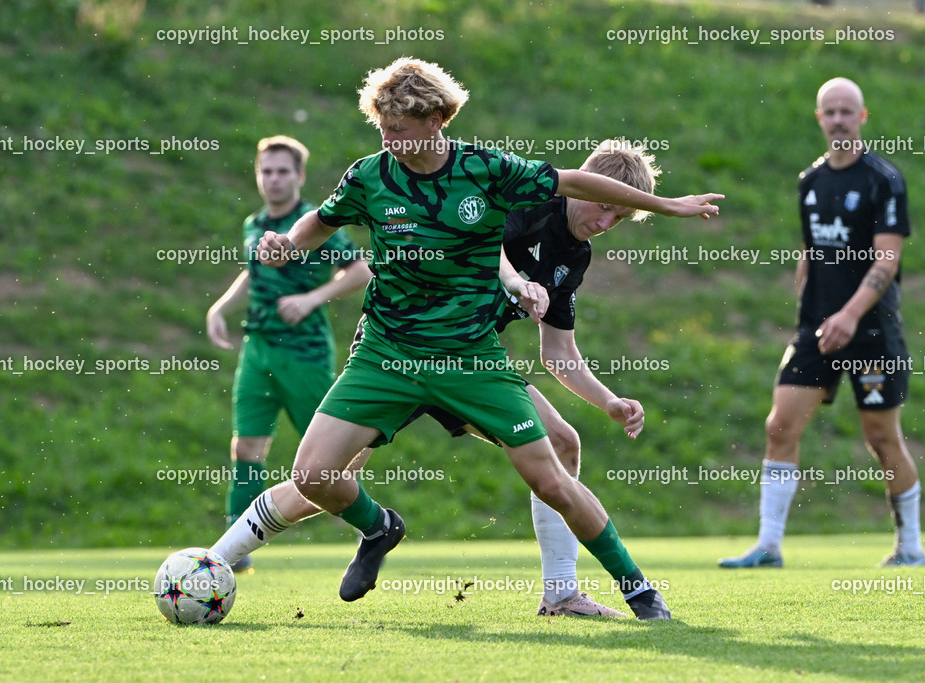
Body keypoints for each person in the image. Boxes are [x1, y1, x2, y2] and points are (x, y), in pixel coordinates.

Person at [252, 57, 721, 620]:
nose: (388, 140)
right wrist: (289, 244)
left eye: (398, 129)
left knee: (552, 477)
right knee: (313, 476)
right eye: (383, 129)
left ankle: (637, 590)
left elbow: (574, 181)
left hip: (470, 358)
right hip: (387, 353)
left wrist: (666, 206)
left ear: (435, 120)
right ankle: (377, 528)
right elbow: (324, 221)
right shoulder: (369, 175)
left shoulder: (486, 169)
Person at [212, 139, 661, 619]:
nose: (605, 222)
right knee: (325, 477)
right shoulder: (524, 201)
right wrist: (513, 280)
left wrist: (609, 401)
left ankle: (561, 595)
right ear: (584, 183)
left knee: (562, 442)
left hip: (468, 364)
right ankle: (216, 559)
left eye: (619, 218)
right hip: (400, 350)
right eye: (604, 206)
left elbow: (558, 351)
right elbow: (479, 241)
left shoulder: (574, 254)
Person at [719, 77, 921, 569]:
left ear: (862, 117)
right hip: (818, 330)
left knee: (881, 437)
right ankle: (768, 546)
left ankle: (911, 546)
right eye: (829, 112)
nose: (838, 120)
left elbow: (887, 259)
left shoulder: (883, 180)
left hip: (871, 332)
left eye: (846, 111)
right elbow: (810, 251)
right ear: (818, 118)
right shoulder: (810, 181)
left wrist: (850, 315)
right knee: (779, 425)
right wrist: (806, 311)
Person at [205, 135, 372, 570]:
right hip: (258, 350)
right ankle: (233, 550)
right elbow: (253, 274)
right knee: (246, 446)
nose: (274, 179)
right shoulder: (255, 223)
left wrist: (311, 299)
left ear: (299, 176)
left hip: (304, 353)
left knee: (333, 454)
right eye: (266, 171)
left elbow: (360, 270)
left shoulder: (314, 223)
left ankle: (369, 524)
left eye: (282, 171)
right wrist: (220, 307)